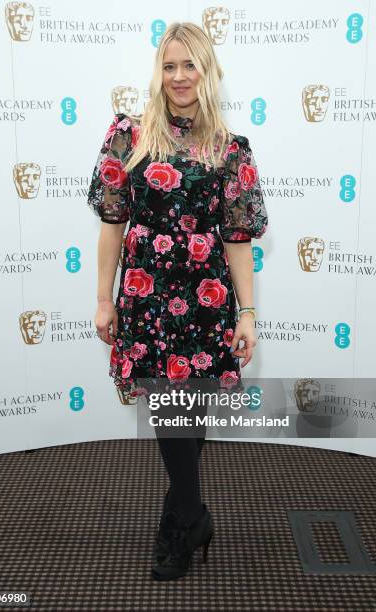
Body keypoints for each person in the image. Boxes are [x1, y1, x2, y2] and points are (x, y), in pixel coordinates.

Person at [87, 22, 268, 581]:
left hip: (207, 300)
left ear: (208, 72)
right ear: (157, 72)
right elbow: (113, 226)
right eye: (169, 66)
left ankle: (180, 516)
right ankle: (190, 516)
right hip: (147, 297)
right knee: (170, 412)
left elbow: (238, 240)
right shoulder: (129, 136)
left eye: (190, 65)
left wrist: (246, 311)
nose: (179, 77)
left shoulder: (230, 150)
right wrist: (103, 301)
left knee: (192, 415)